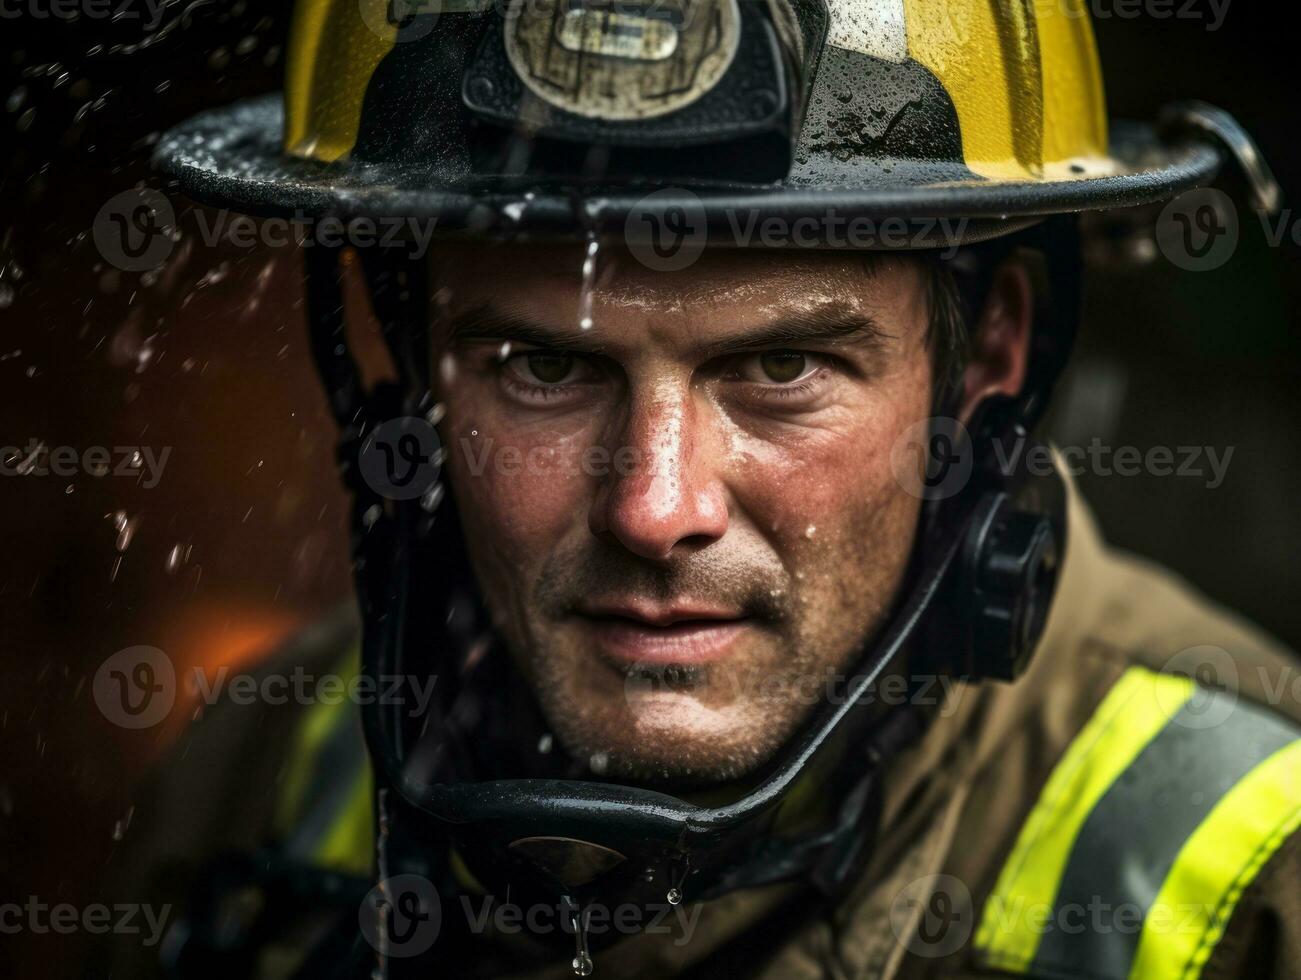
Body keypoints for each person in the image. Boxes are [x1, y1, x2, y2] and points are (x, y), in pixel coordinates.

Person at [105, 1, 1300, 978]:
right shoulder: (262, 769)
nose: (653, 508)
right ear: (409, 364)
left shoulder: (1256, 883)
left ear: (987, 351)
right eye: (546, 367)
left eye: (780, 367)